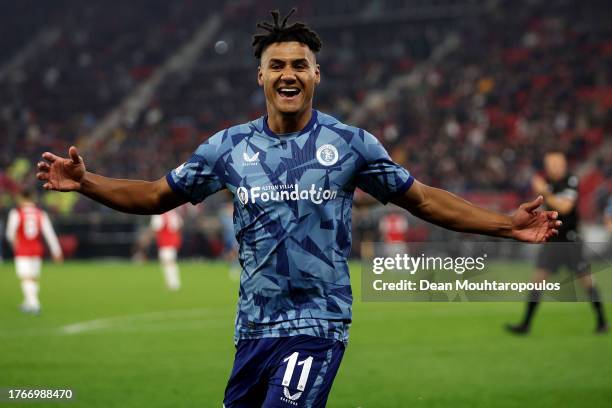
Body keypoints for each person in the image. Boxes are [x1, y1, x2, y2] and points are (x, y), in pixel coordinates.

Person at [37, 9, 561, 407]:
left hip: (317, 323)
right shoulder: (227, 149)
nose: (288, 74)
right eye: (277, 65)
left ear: (316, 75)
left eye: (299, 66)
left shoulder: (352, 144)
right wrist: (87, 183)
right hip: (253, 330)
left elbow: (422, 199)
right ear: (260, 76)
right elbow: (155, 195)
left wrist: (505, 225)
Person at [506, 151, 608, 335]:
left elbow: (565, 207)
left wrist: (543, 190)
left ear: (563, 164)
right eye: (550, 163)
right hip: (553, 240)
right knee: (537, 281)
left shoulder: (570, 181)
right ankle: (525, 324)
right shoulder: (550, 184)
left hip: (570, 241)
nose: (553, 166)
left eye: (556, 163)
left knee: (586, 281)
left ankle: (602, 322)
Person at [5, 190, 63, 314]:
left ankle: (34, 303)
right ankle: (28, 302)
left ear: (21, 198)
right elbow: (49, 233)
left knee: (26, 277)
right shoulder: (40, 213)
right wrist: (56, 250)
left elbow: (10, 233)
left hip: (22, 249)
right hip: (36, 249)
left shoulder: (16, 213)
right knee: (34, 277)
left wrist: (15, 243)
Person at [151, 209, 183, 291]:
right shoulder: (173, 213)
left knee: (168, 262)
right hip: (173, 240)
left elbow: (156, 227)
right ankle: (172, 283)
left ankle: (173, 284)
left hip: (165, 241)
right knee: (170, 262)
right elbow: (179, 224)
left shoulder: (160, 215)